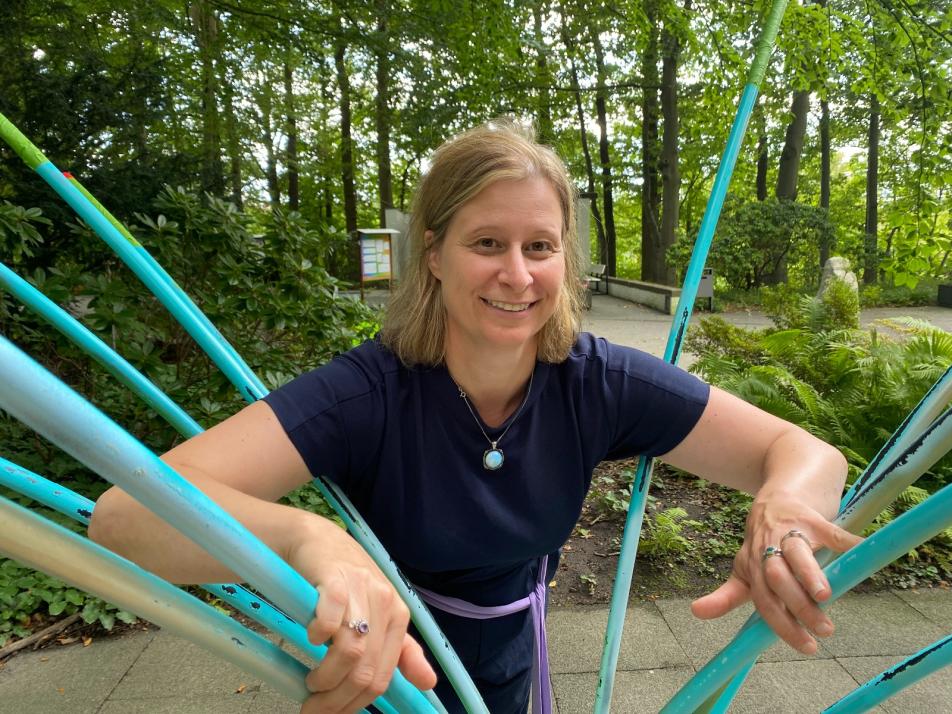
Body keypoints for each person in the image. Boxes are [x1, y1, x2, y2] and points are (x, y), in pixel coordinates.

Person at [89, 120, 862, 714]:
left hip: (511, 656)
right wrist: (311, 539)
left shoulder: (597, 383)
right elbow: (126, 516)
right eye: (487, 243)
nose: (517, 274)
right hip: (381, 669)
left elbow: (805, 450)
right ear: (433, 255)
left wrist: (786, 504)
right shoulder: (368, 393)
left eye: (540, 245)